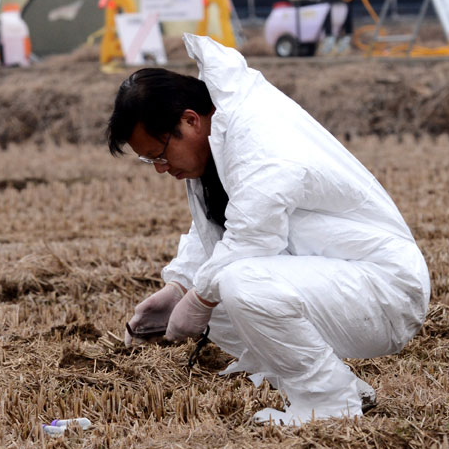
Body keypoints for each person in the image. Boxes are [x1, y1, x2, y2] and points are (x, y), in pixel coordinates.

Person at [108, 34, 431, 425]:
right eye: (150, 161)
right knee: (223, 293)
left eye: (159, 155)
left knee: (241, 284)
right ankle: (339, 387)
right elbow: (217, 227)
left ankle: (328, 405)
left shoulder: (257, 134)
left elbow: (252, 234)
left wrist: (198, 298)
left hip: (384, 288)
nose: (161, 168)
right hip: (336, 278)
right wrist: (177, 288)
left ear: (190, 121)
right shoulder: (215, 144)